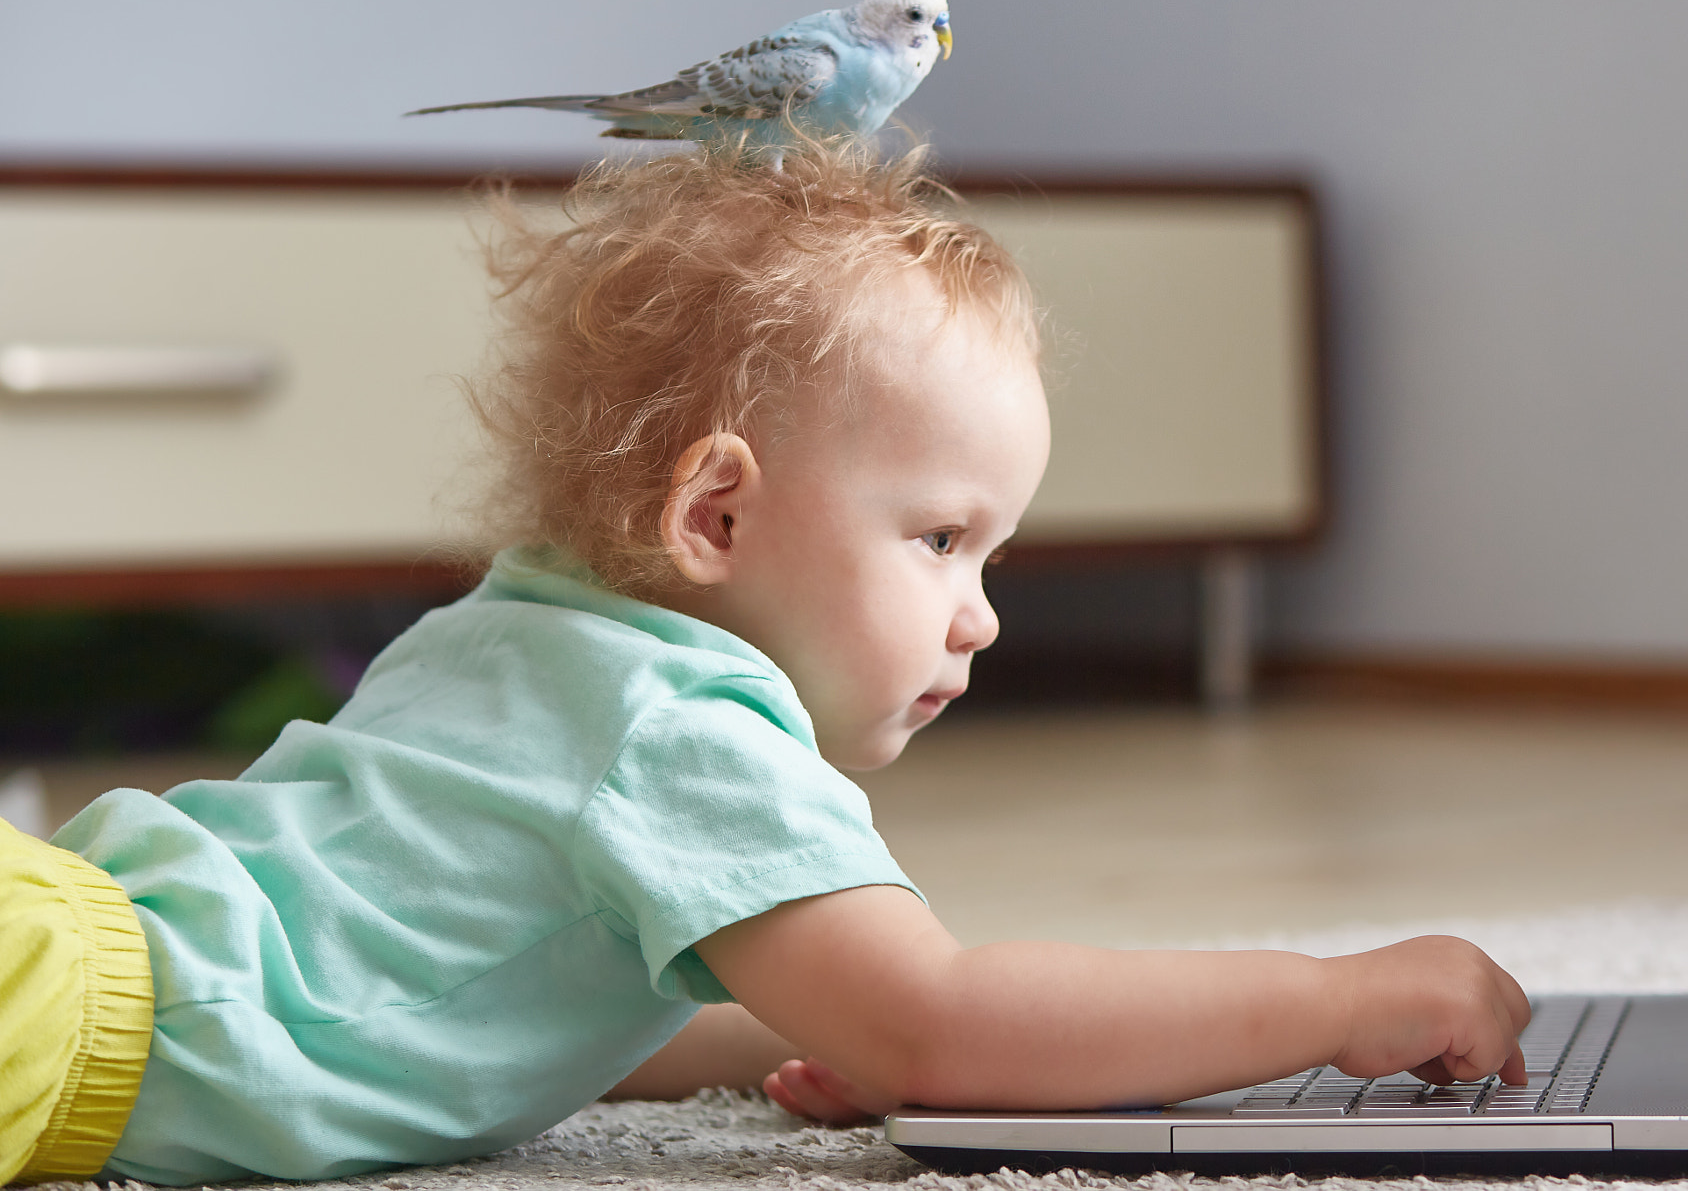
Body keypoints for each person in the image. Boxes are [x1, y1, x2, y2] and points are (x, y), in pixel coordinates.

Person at [1, 141, 1529, 1186]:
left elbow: (502, 1004)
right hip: (54, 1009)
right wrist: (1339, 1000)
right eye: (941, 538)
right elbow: (942, 1018)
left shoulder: (515, 635)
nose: (982, 611)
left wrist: (818, 1015)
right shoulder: (685, 728)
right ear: (715, 511)